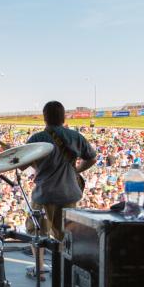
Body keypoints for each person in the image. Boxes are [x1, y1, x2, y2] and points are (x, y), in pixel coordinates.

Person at [26, 101, 96, 248]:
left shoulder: (36, 139)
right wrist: (76, 170)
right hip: (69, 194)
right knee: (67, 238)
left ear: (44, 118)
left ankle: (41, 269)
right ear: (63, 117)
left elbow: (24, 165)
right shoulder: (76, 137)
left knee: (37, 235)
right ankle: (64, 269)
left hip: (44, 194)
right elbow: (91, 158)